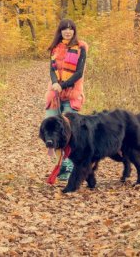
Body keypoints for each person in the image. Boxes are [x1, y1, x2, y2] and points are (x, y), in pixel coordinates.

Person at [44, 18, 88, 180]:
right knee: (51, 127)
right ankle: (59, 162)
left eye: (71, 29)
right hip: (54, 94)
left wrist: (63, 85)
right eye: (64, 29)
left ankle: (66, 169)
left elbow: (79, 73)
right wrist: (55, 83)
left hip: (71, 94)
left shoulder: (81, 47)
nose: (68, 31)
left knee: (71, 133)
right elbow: (51, 70)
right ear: (60, 31)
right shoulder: (55, 48)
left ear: (74, 31)